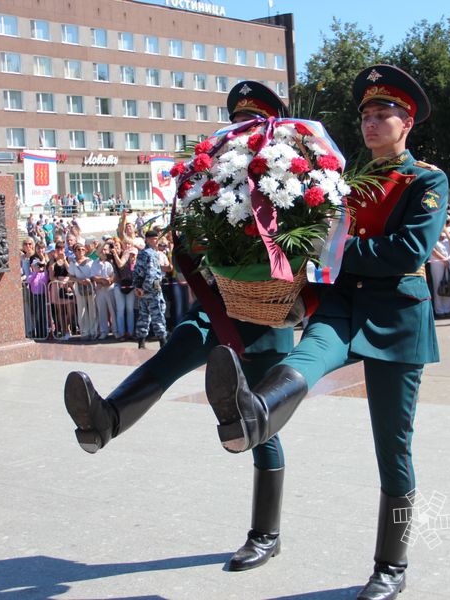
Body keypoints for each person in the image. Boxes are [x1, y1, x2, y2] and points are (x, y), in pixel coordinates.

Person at [203, 64, 448, 599]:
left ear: (407, 122)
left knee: (394, 447)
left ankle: (391, 566)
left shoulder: (426, 179)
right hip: (342, 306)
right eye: (365, 113)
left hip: (399, 317)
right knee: (305, 359)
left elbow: (408, 251)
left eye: (383, 113)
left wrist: (335, 253)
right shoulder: (342, 177)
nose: (371, 121)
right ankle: (255, 412)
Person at [63, 81, 297, 573]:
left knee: (259, 423)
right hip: (215, 308)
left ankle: (265, 533)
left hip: (263, 314)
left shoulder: (285, 181)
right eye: (237, 122)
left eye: (252, 123)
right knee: (166, 360)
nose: (241, 132)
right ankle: (105, 420)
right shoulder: (212, 179)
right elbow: (190, 246)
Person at [132, 229, 168, 349]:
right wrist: (146, 289)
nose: (155, 241)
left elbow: (136, 272)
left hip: (143, 290)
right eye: (153, 239)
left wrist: (138, 287)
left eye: (156, 238)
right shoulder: (150, 254)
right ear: (146, 239)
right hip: (152, 289)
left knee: (143, 316)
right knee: (157, 316)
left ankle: (141, 343)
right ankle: (163, 343)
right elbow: (152, 275)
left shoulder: (142, 253)